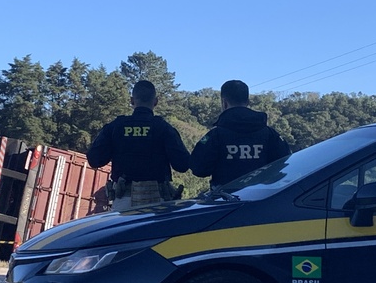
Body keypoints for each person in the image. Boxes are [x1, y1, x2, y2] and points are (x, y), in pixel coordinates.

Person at [87, 80, 190, 211]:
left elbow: (94, 160)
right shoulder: (164, 128)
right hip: (158, 204)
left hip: (123, 202)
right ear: (156, 101)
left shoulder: (115, 127)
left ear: (131, 100)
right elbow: (183, 165)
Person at [190, 79, 291, 188]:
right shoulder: (270, 134)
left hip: (225, 200)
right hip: (262, 199)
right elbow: (285, 163)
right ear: (248, 102)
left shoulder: (215, 135)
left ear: (224, 103)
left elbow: (198, 169)